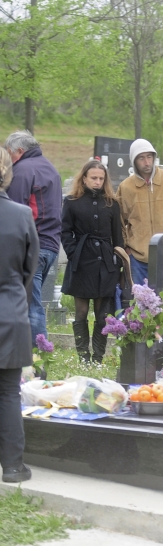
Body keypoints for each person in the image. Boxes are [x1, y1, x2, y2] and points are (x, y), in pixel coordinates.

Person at [0, 147, 39, 483]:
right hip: (10, 311)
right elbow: (30, 268)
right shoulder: (22, 215)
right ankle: (13, 467)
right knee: (9, 392)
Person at [61, 160, 123, 363]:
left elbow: (118, 237)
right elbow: (65, 231)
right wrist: (73, 253)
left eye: (101, 178)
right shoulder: (72, 201)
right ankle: (83, 357)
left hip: (105, 264)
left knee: (102, 313)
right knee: (81, 311)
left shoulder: (112, 203)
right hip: (81, 261)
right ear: (84, 178)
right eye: (94, 178)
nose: (97, 182)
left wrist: (117, 262)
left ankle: (97, 357)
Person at [5, 130, 62, 346]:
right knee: (31, 300)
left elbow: (14, 211)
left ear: (19, 151)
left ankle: (39, 355)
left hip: (32, 246)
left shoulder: (22, 171)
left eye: (9, 153)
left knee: (31, 305)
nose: (8, 158)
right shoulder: (50, 168)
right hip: (51, 245)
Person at [115, 138, 163, 284]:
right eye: (141, 158)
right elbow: (118, 222)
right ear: (134, 161)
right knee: (140, 298)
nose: (147, 162)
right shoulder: (126, 187)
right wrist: (127, 248)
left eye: (149, 157)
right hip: (138, 259)